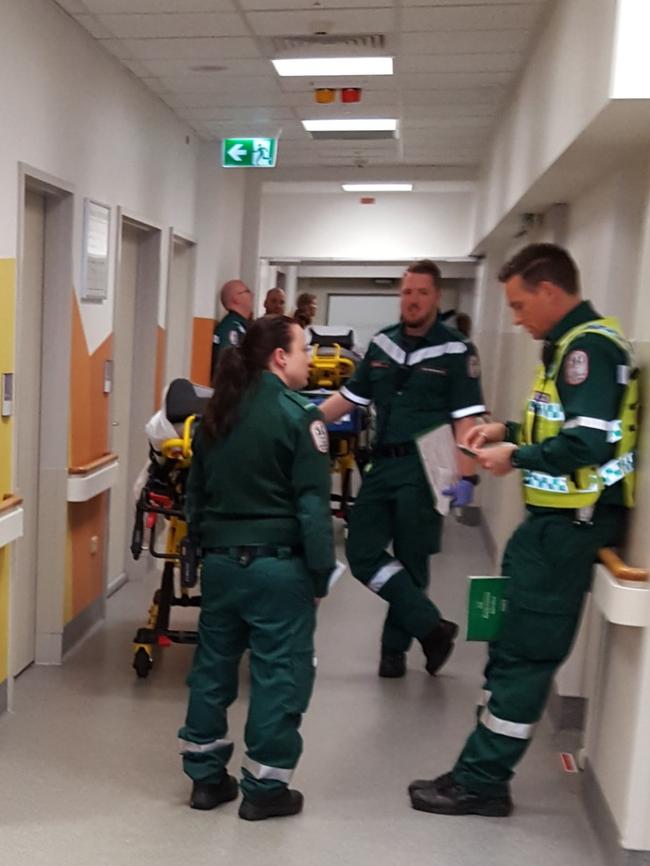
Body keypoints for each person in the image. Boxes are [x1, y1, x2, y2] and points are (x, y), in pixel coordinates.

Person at [409, 243, 636, 817]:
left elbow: (590, 442)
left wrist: (518, 455)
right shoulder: (566, 349)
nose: (514, 318)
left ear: (549, 292)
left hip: (569, 528)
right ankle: (477, 770)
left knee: (525, 657)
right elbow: (560, 425)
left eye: (518, 304)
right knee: (509, 650)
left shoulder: (589, 351)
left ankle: (482, 782)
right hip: (550, 524)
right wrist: (502, 429)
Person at [179, 316, 335, 821]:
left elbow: (194, 499)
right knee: (278, 673)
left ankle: (205, 780)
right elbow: (313, 508)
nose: (311, 359)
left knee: (213, 668)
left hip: (222, 566)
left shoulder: (215, 414)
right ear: (280, 357)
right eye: (305, 349)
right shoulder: (300, 417)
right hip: (277, 567)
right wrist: (319, 575)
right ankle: (265, 790)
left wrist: (203, 555)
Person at [320, 259, 486, 678]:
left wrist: (468, 477)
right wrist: (305, 418)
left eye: (421, 293)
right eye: (407, 292)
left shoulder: (456, 349)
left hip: (429, 468)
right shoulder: (383, 344)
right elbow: (350, 398)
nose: (412, 301)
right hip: (382, 464)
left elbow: (467, 419)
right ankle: (432, 627)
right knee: (361, 553)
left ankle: (394, 651)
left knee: (413, 562)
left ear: (437, 297)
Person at [210, 279, 253, 383]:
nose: (252, 295)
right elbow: (228, 367)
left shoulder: (242, 325)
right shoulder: (230, 328)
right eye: (247, 291)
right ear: (235, 299)